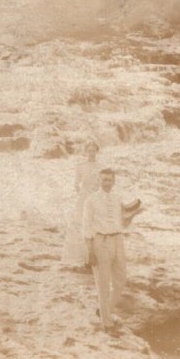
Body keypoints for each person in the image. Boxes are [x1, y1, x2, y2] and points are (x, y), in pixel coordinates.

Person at [82, 168, 142, 330]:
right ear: (99, 181)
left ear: (114, 181)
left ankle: (104, 311)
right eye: (104, 180)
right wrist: (90, 251)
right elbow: (86, 227)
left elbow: (123, 223)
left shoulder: (117, 199)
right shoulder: (91, 200)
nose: (107, 183)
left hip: (118, 240)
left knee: (121, 280)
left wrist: (135, 214)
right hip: (100, 242)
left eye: (109, 180)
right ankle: (107, 324)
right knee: (103, 284)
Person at [62, 141, 101, 268]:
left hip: (95, 198)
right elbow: (76, 184)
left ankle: (93, 256)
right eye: (89, 150)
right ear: (86, 152)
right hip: (83, 199)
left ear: (97, 152)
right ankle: (79, 257)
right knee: (80, 225)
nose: (91, 153)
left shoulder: (101, 167)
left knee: (95, 226)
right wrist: (82, 195)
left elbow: (103, 184)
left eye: (93, 150)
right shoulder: (80, 166)